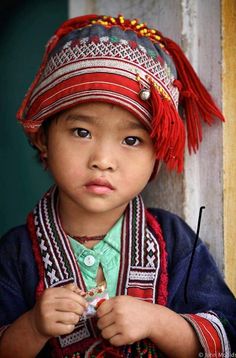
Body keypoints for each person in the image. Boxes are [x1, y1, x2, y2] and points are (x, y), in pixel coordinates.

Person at [0, 14, 235, 358]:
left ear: (157, 153)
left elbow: (226, 337)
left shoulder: (172, 239)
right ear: (43, 138)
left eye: (131, 139)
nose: (104, 160)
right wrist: (33, 327)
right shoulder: (15, 252)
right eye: (82, 132)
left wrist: (159, 322)